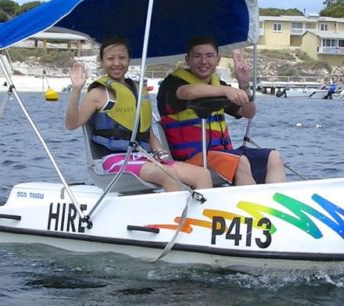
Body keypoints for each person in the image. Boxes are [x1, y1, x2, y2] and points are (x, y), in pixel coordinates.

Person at [65, 37, 212, 192]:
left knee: (202, 175)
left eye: (122, 58)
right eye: (110, 59)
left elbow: (146, 132)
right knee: (168, 173)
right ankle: (174, 208)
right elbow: (71, 124)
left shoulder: (138, 90)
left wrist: (159, 151)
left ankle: (198, 208)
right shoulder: (98, 93)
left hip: (145, 157)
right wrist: (76, 90)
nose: (116, 63)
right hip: (115, 160)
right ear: (102, 61)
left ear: (129, 60)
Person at [157, 35, 287, 185]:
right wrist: (225, 90)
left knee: (274, 157)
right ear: (188, 60)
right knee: (241, 162)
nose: (204, 61)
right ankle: (248, 199)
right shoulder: (173, 84)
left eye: (209, 56)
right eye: (197, 56)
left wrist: (244, 86)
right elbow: (188, 92)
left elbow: (248, 113)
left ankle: (273, 199)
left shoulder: (218, 85)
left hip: (222, 154)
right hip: (189, 159)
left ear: (218, 60)